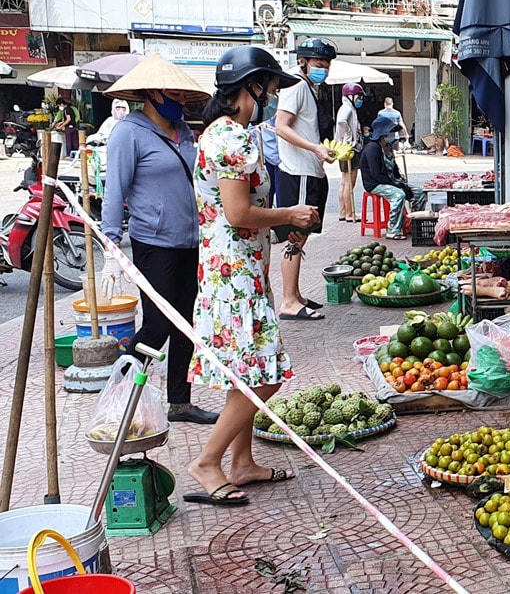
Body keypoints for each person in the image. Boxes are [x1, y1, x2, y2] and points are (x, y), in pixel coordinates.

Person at [184, 46, 315, 506]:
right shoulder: (232, 140)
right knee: (265, 374)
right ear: (251, 87)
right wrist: (291, 215)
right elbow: (240, 212)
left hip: (234, 269)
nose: (273, 97)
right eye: (271, 89)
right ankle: (207, 461)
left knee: (245, 371)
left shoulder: (222, 133)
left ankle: (242, 462)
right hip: (234, 275)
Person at [101, 54, 218, 425]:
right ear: (152, 93)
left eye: (184, 97)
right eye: (174, 95)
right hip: (154, 244)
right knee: (157, 325)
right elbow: (114, 191)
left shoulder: (183, 132)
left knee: (186, 323)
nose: (181, 102)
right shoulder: (128, 133)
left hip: (191, 241)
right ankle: (121, 395)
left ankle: (179, 403)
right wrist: (110, 245)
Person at [274, 37, 337, 321]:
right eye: (318, 64)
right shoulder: (296, 85)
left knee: (303, 236)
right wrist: (314, 148)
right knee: (294, 238)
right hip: (298, 172)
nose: (322, 69)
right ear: (303, 62)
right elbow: (281, 127)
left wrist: (321, 148)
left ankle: (296, 294)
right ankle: (288, 300)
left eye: (326, 65)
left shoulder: (310, 87)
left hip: (312, 172)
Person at [360, 116, 426, 240]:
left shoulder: (388, 148)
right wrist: (397, 186)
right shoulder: (372, 149)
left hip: (391, 181)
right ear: (383, 134)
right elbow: (377, 175)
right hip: (375, 184)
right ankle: (393, 230)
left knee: (419, 193)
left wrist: (401, 182)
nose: (393, 136)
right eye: (390, 133)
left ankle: (413, 225)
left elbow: (394, 170)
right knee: (399, 195)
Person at [335, 82, 364, 222]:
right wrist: (349, 138)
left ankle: (342, 212)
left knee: (344, 181)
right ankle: (350, 214)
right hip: (350, 149)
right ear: (351, 96)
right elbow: (341, 122)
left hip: (343, 149)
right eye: (359, 96)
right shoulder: (347, 108)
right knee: (349, 183)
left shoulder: (346, 107)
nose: (360, 100)